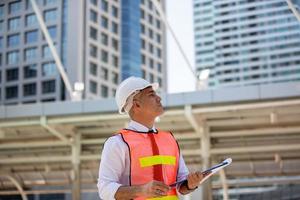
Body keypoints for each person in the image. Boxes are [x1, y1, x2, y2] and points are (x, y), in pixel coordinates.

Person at [97, 76, 207, 199]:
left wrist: (191, 184)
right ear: (137, 104)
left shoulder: (170, 139)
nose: (159, 98)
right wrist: (141, 190)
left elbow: (181, 185)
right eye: (151, 95)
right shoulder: (118, 143)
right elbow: (105, 189)